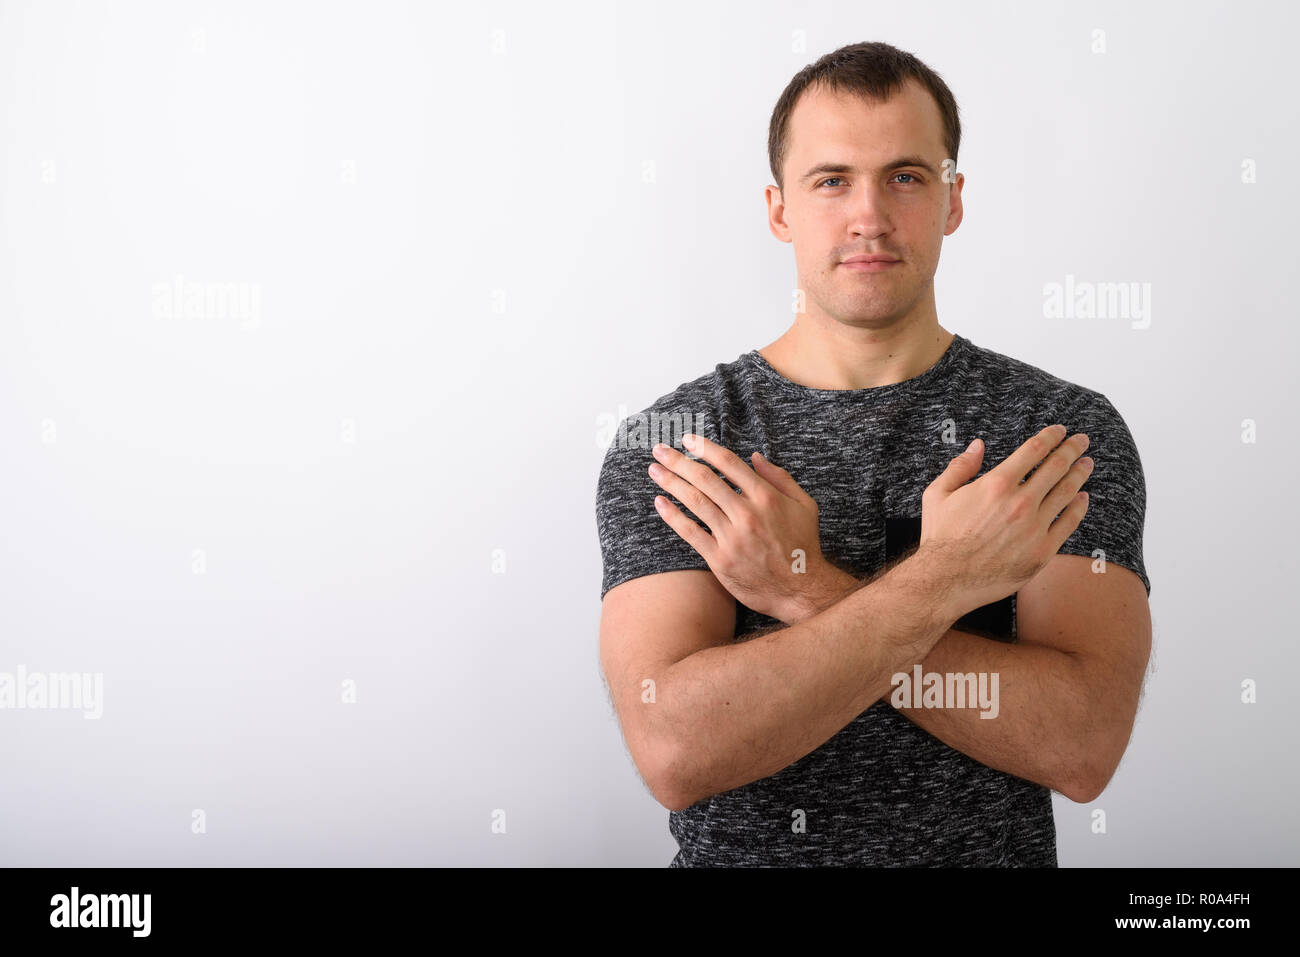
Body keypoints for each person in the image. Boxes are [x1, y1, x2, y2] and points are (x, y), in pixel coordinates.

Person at [595, 41, 1152, 866]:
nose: (869, 216)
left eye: (905, 176)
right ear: (779, 209)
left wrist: (800, 584)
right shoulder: (682, 444)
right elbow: (676, 751)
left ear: (952, 198)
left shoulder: (1057, 432)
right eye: (831, 180)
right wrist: (944, 581)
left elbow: (1081, 743)